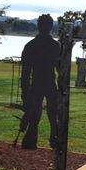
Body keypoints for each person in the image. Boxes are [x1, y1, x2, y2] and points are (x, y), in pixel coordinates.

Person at [20, 14, 60, 150]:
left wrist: (25, 93)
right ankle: (44, 140)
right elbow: (25, 73)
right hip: (46, 84)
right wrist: (25, 93)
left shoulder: (32, 45)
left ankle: (50, 139)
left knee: (50, 115)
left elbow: (25, 74)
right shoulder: (55, 46)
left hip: (41, 85)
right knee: (41, 115)